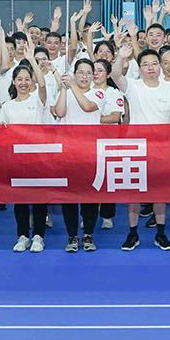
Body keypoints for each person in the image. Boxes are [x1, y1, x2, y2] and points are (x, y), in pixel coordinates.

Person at [112, 25, 170, 251]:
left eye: (154, 64)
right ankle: (132, 233)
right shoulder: (132, 86)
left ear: (160, 66)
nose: (151, 68)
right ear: (140, 68)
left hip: (161, 151)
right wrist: (120, 57)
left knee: (160, 193)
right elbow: (115, 75)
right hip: (136, 149)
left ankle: (161, 233)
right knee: (134, 193)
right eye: (146, 64)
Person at [53, 58, 117, 252]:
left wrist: (72, 86)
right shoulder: (67, 91)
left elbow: (87, 106)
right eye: (80, 72)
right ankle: (72, 236)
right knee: (70, 198)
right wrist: (63, 89)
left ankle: (88, 234)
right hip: (69, 152)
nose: (84, 76)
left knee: (90, 196)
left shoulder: (98, 93)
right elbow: (59, 112)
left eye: (88, 73)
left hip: (90, 152)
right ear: (74, 73)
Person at [1, 59, 50, 253]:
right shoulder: (7, 106)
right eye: (19, 79)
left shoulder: (37, 100)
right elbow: (1, 132)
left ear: (32, 81)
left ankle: (38, 236)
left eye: (27, 79)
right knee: (20, 199)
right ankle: (22, 235)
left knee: (39, 198)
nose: (23, 83)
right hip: (17, 160)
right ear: (13, 82)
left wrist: (31, 60)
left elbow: (43, 86)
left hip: (38, 158)